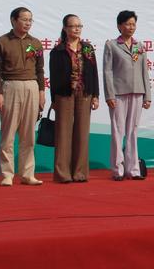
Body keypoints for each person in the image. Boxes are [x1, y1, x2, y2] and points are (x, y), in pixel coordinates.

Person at [0, 7, 45, 186]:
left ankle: (27, 174)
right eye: (24, 19)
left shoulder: (35, 43)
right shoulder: (2, 42)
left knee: (28, 135)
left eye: (30, 20)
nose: (28, 23)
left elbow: (40, 70)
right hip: (10, 86)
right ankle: (7, 174)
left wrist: (41, 92)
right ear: (13, 20)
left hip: (32, 86)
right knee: (8, 134)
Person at [49, 14, 99, 183]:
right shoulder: (58, 51)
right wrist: (54, 100)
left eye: (79, 26)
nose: (77, 29)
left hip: (85, 94)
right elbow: (54, 77)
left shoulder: (87, 48)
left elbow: (94, 73)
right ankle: (62, 174)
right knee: (63, 134)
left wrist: (96, 95)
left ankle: (80, 173)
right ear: (65, 28)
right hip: (64, 95)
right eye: (73, 26)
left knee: (82, 134)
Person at [103, 11, 151, 181]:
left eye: (133, 24)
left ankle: (133, 169)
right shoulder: (112, 45)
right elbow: (107, 71)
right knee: (118, 131)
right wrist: (109, 95)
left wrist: (147, 96)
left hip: (137, 92)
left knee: (133, 131)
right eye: (127, 24)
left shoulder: (139, 45)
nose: (131, 27)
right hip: (118, 93)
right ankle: (118, 169)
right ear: (119, 26)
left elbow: (145, 71)